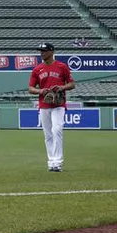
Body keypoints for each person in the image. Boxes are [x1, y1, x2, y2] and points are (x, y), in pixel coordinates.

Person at [28, 42, 75, 172]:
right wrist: (41, 91)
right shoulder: (37, 69)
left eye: (44, 51)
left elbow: (71, 84)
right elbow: (30, 88)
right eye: (40, 51)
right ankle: (51, 162)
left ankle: (58, 162)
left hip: (58, 104)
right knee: (48, 135)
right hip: (44, 105)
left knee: (57, 130)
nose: (41, 53)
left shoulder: (62, 67)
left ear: (52, 52)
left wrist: (61, 87)